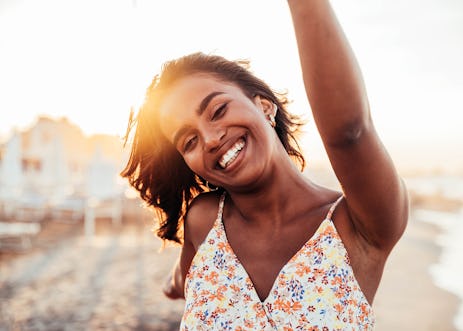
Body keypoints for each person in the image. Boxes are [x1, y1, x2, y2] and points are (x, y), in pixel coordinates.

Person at [121, 0, 409, 329]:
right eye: (190, 141)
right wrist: (172, 285)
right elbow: (181, 279)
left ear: (265, 107)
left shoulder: (359, 227)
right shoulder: (203, 222)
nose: (211, 139)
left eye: (217, 111)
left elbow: (350, 133)